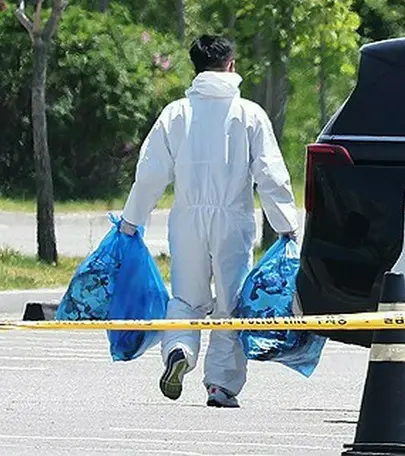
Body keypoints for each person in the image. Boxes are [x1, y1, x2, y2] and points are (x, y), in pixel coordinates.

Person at [119, 34, 299, 408]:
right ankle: (220, 385)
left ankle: (179, 350)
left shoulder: (176, 113)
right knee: (230, 304)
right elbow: (270, 175)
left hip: (186, 218)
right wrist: (287, 226)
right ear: (231, 66)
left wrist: (131, 221)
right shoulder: (249, 114)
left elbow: (150, 173)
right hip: (234, 218)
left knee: (185, 297)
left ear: (195, 68)